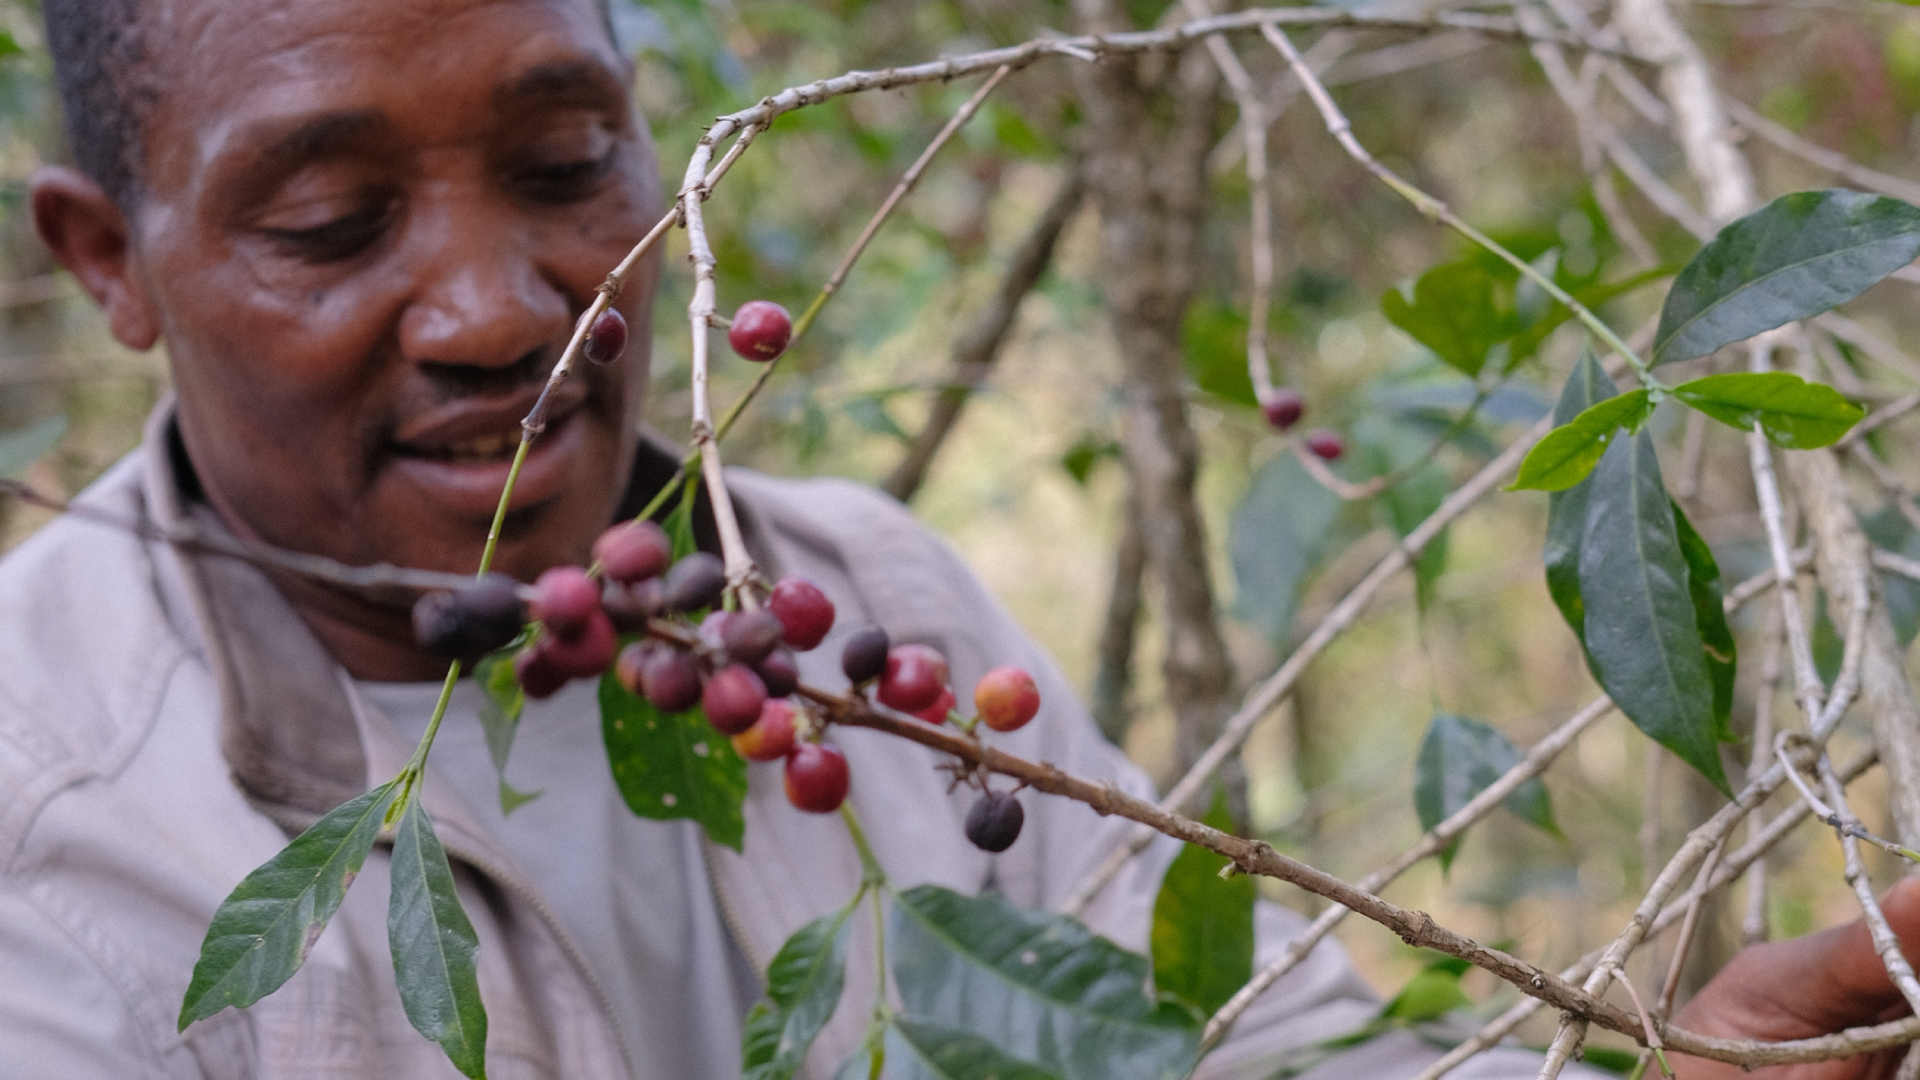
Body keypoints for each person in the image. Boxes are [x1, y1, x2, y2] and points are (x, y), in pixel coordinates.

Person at [1, 0, 1914, 1077]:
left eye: (569, 170)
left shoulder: (866, 603)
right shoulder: (46, 826)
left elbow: (1233, 1058)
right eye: (334, 221)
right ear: (111, 260)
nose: (504, 311)